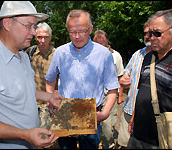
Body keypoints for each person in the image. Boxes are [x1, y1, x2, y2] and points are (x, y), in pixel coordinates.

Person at [0, 1, 65, 149]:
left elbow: (22, 90)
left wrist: (48, 97)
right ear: (8, 23)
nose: (34, 32)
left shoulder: (22, 56)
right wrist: (25, 134)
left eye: (34, 26)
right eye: (28, 26)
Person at [45, 9, 120, 149]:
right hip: (65, 112)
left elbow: (113, 88)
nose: (77, 36)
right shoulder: (60, 53)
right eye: (72, 32)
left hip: (92, 114)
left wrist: (105, 112)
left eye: (82, 31)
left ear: (91, 29)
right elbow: (49, 79)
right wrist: (50, 97)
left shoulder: (104, 54)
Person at [127, 9, 172, 149]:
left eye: (157, 33)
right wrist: (133, 118)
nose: (151, 37)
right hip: (138, 135)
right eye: (149, 33)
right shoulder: (148, 57)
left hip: (161, 139)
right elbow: (141, 91)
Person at [117, 19, 153, 149]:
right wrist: (123, 81)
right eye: (145, 33)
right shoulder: (137, 54)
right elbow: (125, 75)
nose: (148, 36)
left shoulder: (165, 57)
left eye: (152, 32)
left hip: (148, 115)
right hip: (129, 109)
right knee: (125, 144)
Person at [93, 29, 124, 149]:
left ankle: (108, 145)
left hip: (109, 95)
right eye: (98, 44)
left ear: (107, 42)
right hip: (93, 96)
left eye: (103, 43)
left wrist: (120, 95)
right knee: (92, 125)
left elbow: (119, 76)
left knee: (108, 126)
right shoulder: (89, 54)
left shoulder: (115, 56)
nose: (101, 46)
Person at [26, 22, 58, 130]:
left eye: (46, 37)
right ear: (35, 37)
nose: (43, 41)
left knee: (46, 138)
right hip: (31, 103)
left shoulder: (58, 55)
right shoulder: (30, 52)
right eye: (39, 37)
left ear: (51, 37)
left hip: (49, 105)